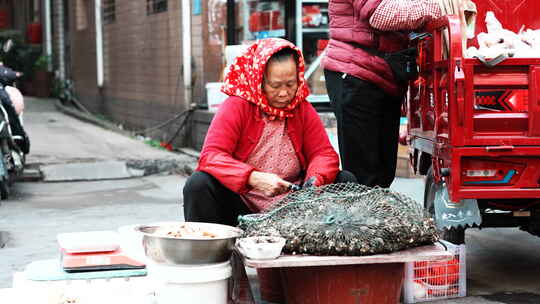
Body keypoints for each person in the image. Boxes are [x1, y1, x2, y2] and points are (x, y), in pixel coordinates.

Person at [183, 38, 356, 227]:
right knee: (198, 184)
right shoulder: (237, 105)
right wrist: (253, 178)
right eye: (275, 85)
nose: (284, 93)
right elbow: (211, 157)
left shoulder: (302, 108)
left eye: (291, 84)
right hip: (241, 204)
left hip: (296, 207)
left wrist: (313, 182)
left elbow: (323, 154)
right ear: (259, 80)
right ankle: (209, 252)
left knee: (344, 180)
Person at [323, 0, 441, 187]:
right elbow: (381, 14)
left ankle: (375, 214)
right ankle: (360, 216)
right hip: (356, 74)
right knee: (363, 176)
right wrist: (438, 7)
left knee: (383, 172)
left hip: (383, 74)